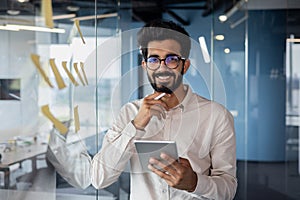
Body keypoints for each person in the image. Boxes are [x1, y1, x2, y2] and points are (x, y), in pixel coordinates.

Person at [91, 20, 237, 200]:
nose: (162, 67)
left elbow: (228, 190)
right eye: (154, 59)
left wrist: (195, 183)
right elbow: (99, 178)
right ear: (145, 65)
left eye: (172, 59)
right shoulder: (129, 113)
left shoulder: (217, 116)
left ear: (185, 65)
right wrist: (136, 126)